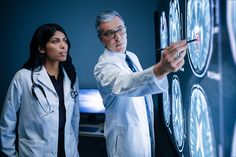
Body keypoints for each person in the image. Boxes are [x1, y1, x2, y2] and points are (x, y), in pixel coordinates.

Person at [94, 10, 188, 157]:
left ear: (125, 29)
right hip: (125, 145)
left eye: (120, 30)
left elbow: (141, 87)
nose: (117, 37)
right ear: (101, 39)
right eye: (109, 33)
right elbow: (125, 84)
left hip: (144, 132)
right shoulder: (103, 67)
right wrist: (159, 70)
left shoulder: (131, 56)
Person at [0, 23, 80, 157]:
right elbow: (7, 122)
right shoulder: (23, 77)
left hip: (68, 151)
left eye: (64, 40)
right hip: (35, 152)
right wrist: (10, 154)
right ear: (42, 48)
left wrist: (74, 145)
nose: (63, 46)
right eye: (55, 41)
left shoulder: (71, 77)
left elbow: (75, 119)